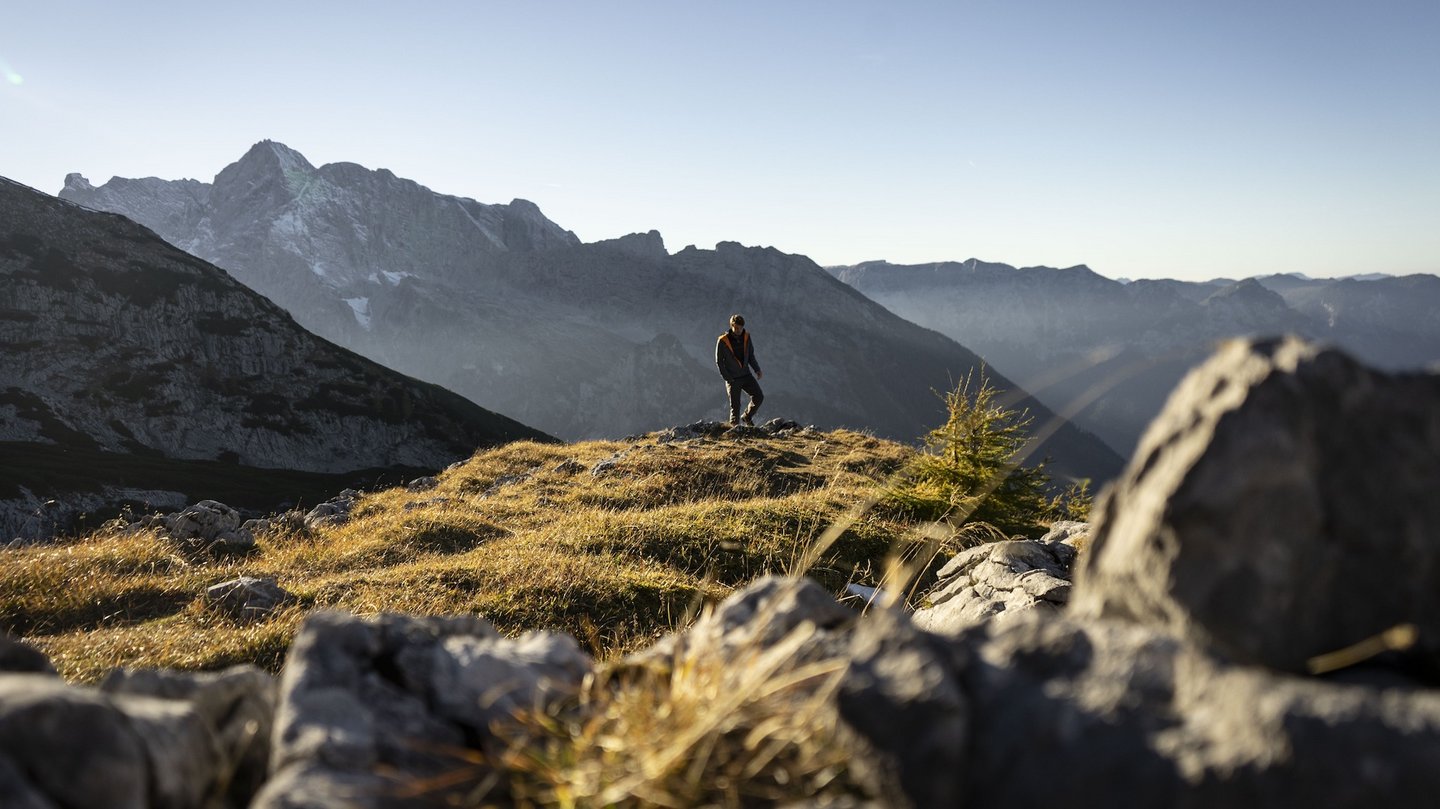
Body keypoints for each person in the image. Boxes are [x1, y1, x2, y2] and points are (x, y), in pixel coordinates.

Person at [716, 314, 764, 426]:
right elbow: (719, 362)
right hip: (732, 379)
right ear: (732, 326)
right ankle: (733, 432)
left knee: (759, 396)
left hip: (746, 375)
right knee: (735, 406)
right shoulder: (722, 341)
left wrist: (757, 369)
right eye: (736, 328)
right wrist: (727, 378)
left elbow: (751, 356)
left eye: (740, 328)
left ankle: (747, 416)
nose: (738, 330)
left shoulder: (747, 337)